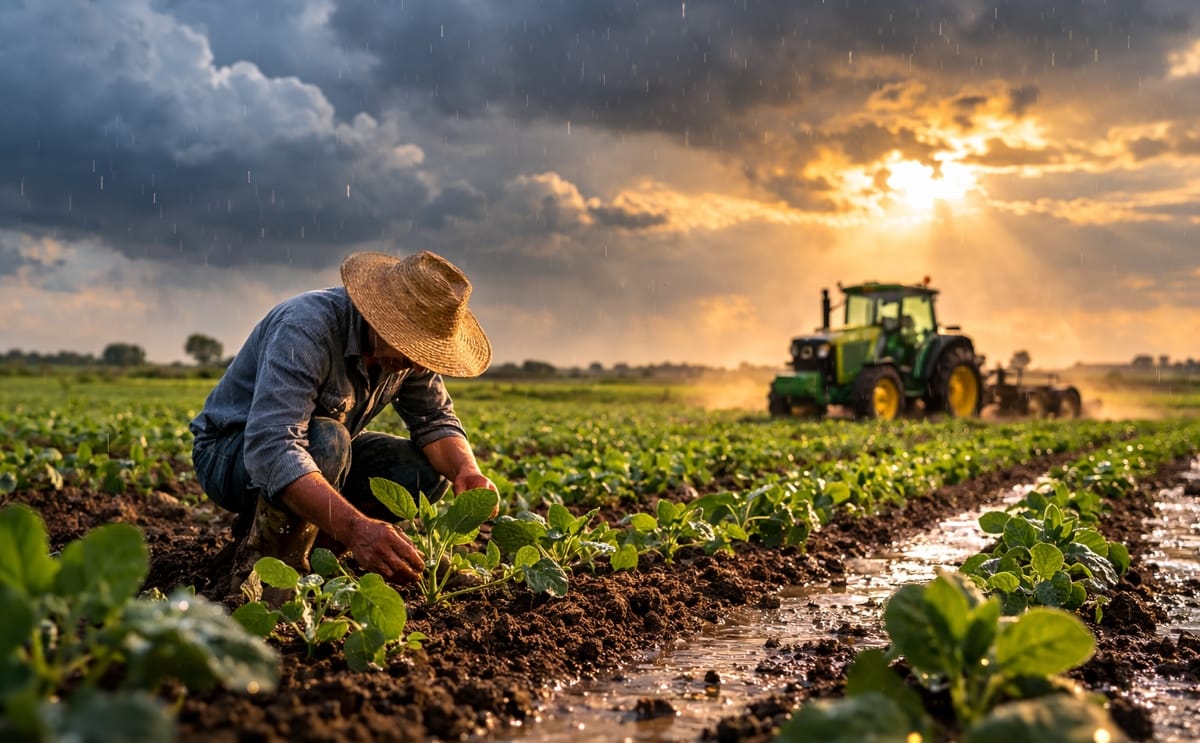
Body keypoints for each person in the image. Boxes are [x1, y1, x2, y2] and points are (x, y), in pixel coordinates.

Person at [189, 250, 496, 600]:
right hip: (230, 456)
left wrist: (466, 471)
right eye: (412, 348)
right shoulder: (306, 328)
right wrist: (357, 528)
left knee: (424, 471)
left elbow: (434, 419)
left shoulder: (407, 361)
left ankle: (319, 549)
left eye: (425, 353)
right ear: (380, 319)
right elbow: (273, 447)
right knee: (328, 439)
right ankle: (271, 571)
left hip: (316, 456)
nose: (418, 364)